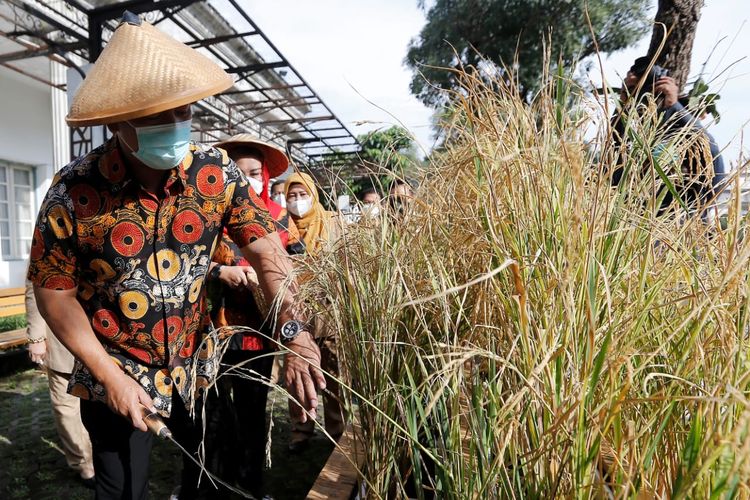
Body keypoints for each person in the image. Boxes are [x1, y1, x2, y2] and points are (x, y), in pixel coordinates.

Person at [29, 13, 324, 500]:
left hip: (196, 368)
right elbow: (54, 294)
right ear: (118, 120)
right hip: (115, 375)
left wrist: (291, 330)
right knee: (122, 488)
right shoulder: (74, 190)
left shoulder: (215, 174)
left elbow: (268, 250)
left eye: (182, 110)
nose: (174, 125)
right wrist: (108, 377)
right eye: (156, 114)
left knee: (207, 475)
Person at [202, 134, 301, 496]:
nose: (247, 180)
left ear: (267, 177)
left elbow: (292, 268)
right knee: (211, 413)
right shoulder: (205, 217)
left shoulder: (277, 219)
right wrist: (218, 272)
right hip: (210, 332)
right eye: (237, 172)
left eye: (254, 172)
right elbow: (185, 264)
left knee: (252, 411)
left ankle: (252, 484)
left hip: (257, 334)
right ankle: (215, 482)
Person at [610, 56, 723, 215]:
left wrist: (674, 106)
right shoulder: (635, 144)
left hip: (680, 227)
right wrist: (623, 103)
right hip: (638, 225)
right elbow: (610, 166)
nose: (653, 109)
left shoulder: (693, 141)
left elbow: (712, 162)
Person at [284, 172, 346, 451]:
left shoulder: (334, 224)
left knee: (335, 379)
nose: (298, 202)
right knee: (299, 378)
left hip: (331, 315)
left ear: (314, 195)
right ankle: (300, 432)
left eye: (303, 194)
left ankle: (337, 434)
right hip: (298, 317)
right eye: (291, 196)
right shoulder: (282, 227)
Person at [26, 278, 95, 488]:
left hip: (101, 337)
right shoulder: (48, 244)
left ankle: (101, 454)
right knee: (66, 407)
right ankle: (84, 465)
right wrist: (36, 337)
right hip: (61, 338)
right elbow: (34, 287)